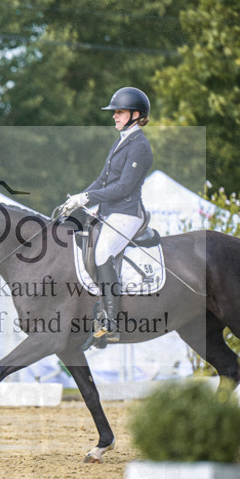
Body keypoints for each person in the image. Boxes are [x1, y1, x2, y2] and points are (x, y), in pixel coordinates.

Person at [61, 86, 154, 340]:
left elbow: (124, 187)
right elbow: (103, 181)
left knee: (103, 252)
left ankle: (112, 320)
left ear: (136, 115)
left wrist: (88, 198)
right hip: (108, 212)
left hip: (127, 214)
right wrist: (78, 200)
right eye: (115, 112)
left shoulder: (140, 146)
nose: (114, 116)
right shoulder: (120, 142)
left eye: (120, 112)